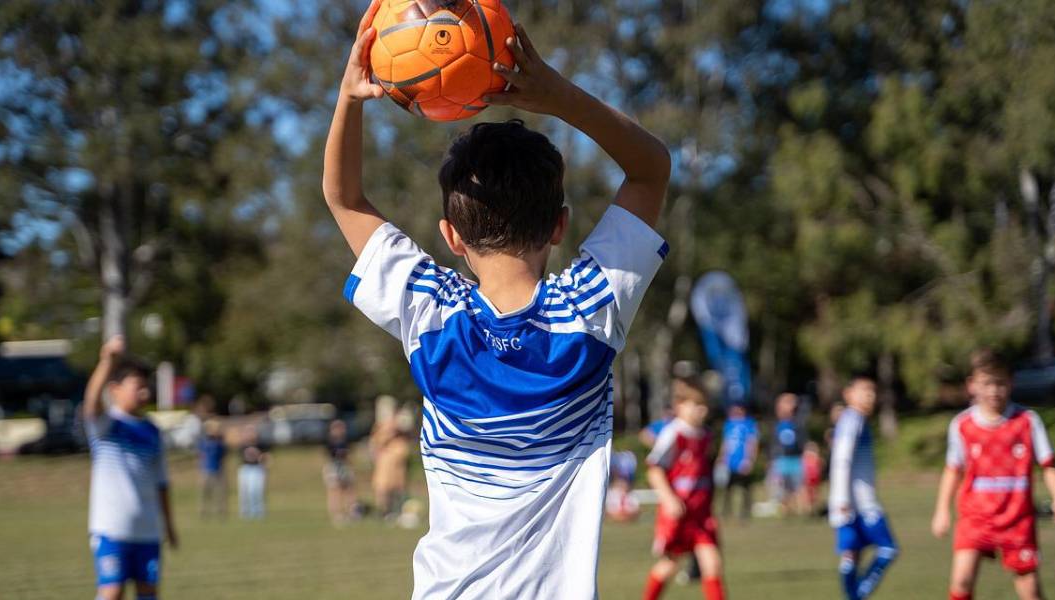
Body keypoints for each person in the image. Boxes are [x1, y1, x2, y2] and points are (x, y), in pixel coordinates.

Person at [322, 6, 671, 597]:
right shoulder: (589, 310)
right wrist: (557, 95)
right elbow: (651, 169)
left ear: (451, 236)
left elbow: (345, 199)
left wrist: (351, 97)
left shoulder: (431, 316)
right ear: (560, 226)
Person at [931, 349, 1055, 600]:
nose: (994, 390)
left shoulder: (1027, 421)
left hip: (1017, 519)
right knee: (961, 580)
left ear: (1011, 383)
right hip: (975, 518)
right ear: (972, 385)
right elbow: (953, 470)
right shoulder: (962, 425)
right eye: (986, 383)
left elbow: (1048, 464)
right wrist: (942, 510)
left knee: (1030, 591)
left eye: (1000, 383)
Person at [83, 336, 178, 600]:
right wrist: (107, 363)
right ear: (114, 389)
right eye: (137, 385)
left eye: (145, 386)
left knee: (148, 594)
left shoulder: (152, 432)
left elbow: (162, 484)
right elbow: (91, 403)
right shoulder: (107, 426)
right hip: (112, 528)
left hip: (147, 530)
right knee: (112, 592)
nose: (144, 392)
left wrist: (169, 526)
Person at [642, 375, 725, 600]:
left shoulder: (706, 435)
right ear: (680, 406)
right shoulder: (674, 433)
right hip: (679, 514)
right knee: (668, 565)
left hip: (700, 514)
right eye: (695, 405)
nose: (701, 411)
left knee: (713, 564)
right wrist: (668, 499)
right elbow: (654, 469)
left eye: (704, 406)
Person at [829, 376, 897, 600]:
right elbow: (841, 460)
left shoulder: (855, 419)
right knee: (887, 549)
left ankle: (854, 596)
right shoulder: (852, 419)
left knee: (852, 554)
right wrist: (841, 500)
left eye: (873, 391)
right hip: (858, 504)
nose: (870, 396)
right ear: (848, 394)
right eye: (864, 391)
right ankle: (856, 595)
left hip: (854, 502)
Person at [717, 403, 758, 521]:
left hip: (743, 461)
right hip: (730, 461)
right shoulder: (729, 424)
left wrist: (749, 459)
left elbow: (752, 442)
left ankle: (745, 513)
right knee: (727, 488)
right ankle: (725, 512)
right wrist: (721, 457)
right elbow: (726, 442)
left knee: (745, 489)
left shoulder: (749, 424)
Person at [769, 392, 806, 515]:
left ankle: (801, 509)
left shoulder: (798, 423)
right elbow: (772, 443)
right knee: (782, 487)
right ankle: (786, 509)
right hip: (781, 459)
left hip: (795, 459)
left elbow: (802, 441)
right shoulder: (776, 424)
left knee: (797, 486)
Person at [324, 419, 356, 525]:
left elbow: (348, 455)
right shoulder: (330, 441)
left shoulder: (346, 440)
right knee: (335, 490)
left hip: (344, 466)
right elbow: (332, 455)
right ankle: (337, 514)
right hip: (334, 467)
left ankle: (350, 512)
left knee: (348, 490)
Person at [237, 427, 268, 520]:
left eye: (252, 433)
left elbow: (267, 457)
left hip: (257, 469)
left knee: (256, 491)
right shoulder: (243, 446)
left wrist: (263, 460)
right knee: (245, 491)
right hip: (246, 469)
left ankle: (258, 512)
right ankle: (245, 512)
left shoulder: (261, 445)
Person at [198, 419, 227, 519]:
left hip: (218, 470)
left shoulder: (219, 443)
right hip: (206, 470)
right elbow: (201, 455)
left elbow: (223, 454)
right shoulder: (204, 442)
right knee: (205, 492)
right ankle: (204, 511)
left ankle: (221, 511)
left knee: (219, 492)